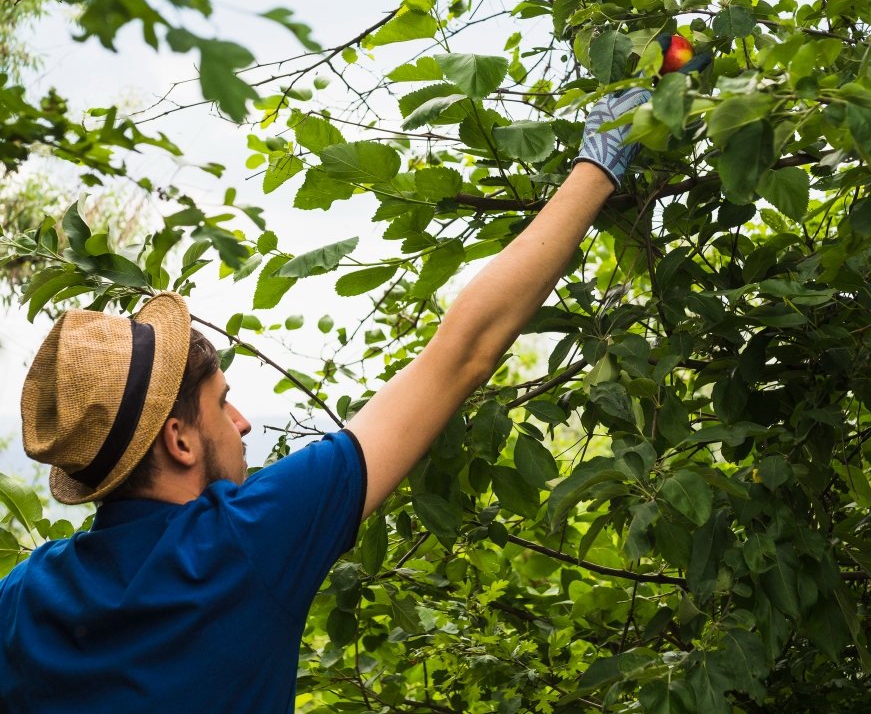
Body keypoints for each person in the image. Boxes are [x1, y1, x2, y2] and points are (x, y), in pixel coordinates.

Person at [0, 88, 651, 713]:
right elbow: (463, 352)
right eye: (222, 404)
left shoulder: (24, 598)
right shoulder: (242, 543)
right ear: (179, 439)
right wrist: (600, 163)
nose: (243, 421)